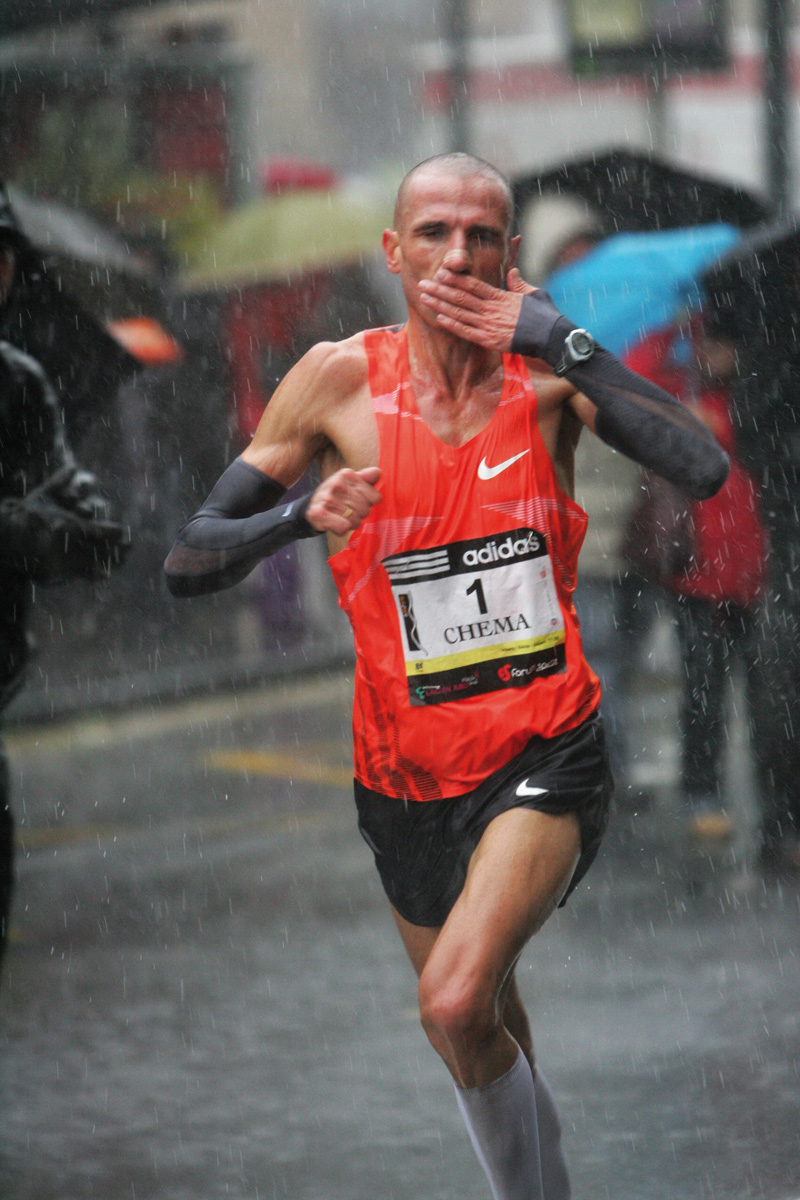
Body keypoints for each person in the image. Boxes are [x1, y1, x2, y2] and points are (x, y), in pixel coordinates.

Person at [165, 153, 728, 1200]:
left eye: (480, 235)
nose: (456, 254)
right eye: (433, 233)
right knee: (482, 1026)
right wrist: (297, 515)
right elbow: (189, 555)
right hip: (402, 777)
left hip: (542, 747)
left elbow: (698, 466)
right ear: (392, 252)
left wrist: (557, 335)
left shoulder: (551, 374)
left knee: (453, 999)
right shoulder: (336, 381)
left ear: (508, 257)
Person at [0, 190, 129, 974]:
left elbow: (78, 510)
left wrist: (82, 530)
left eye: (2, 260)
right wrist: (17, 529)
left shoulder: (18, 382)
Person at [623, 313, 769, 851]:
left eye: (723, 343)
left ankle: (772, 799)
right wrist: (674, 331)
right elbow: (631, 378)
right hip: (696, 575)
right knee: (703, 693)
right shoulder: (674, 391)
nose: (716, 354)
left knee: (766, 697)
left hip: (758, 569)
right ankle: (701, 793)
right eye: (707, 343)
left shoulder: (761, 391)